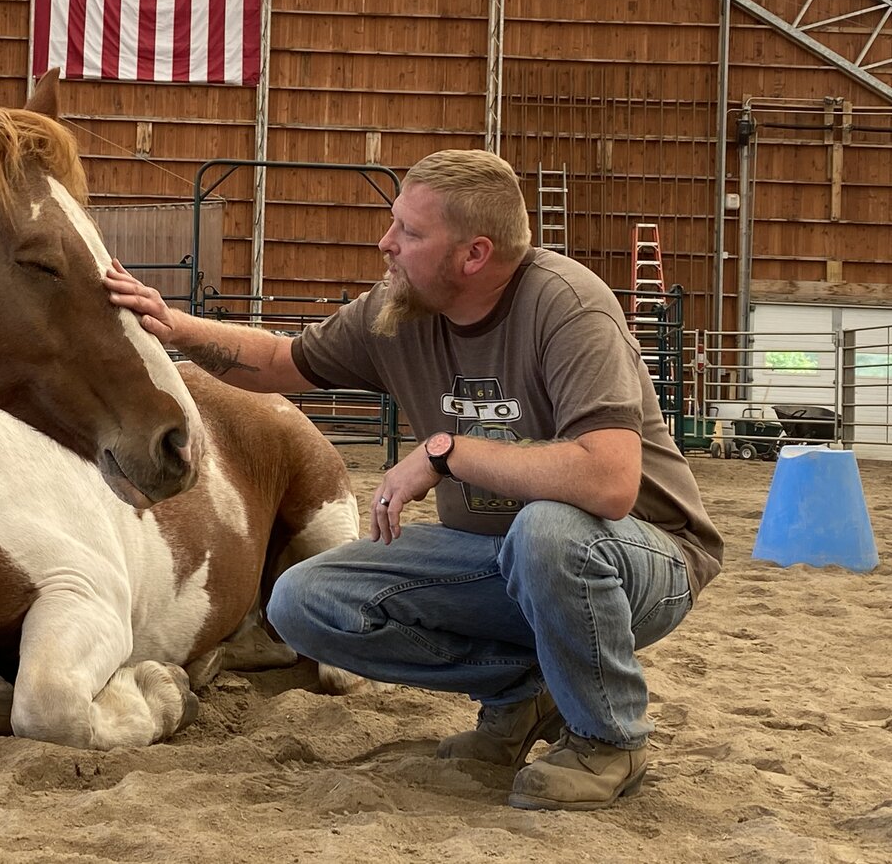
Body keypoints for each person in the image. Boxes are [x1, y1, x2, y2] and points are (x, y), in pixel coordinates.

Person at [105, 149, 723, 812]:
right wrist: (171, 325)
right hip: (499, 559)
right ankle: (522, 695)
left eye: (410, 231)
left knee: (549, 529)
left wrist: (445, 452)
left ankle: (609, 738)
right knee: (304, 599)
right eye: (394, 222)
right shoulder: (399, 312)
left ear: (474, 254)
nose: (387, 242)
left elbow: (609, 480)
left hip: (635, 556)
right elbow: (282, 361)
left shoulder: (567, 307)